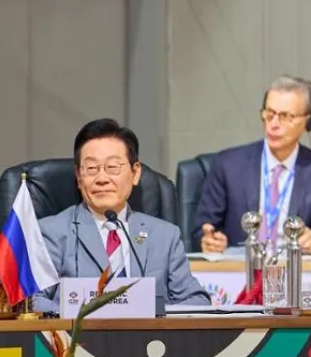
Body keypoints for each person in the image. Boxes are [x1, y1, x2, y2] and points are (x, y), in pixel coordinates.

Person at [33, 119, 210, 312]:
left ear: (135, 173)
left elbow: (197, 301)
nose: (102, 178)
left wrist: (154, 314)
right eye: (91, 168)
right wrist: (84, 317)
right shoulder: (50, 233)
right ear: (79, 176)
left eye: (112, 167)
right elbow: (32, 300)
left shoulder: (165, 236)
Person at [194, 75, 311, 255]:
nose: (273, 124)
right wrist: (211, 241)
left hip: (293, 268)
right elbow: (201, 230)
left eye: (285, 116)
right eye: (269, 114)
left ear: (307, 122)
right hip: (240, 268)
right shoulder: (228, 165)